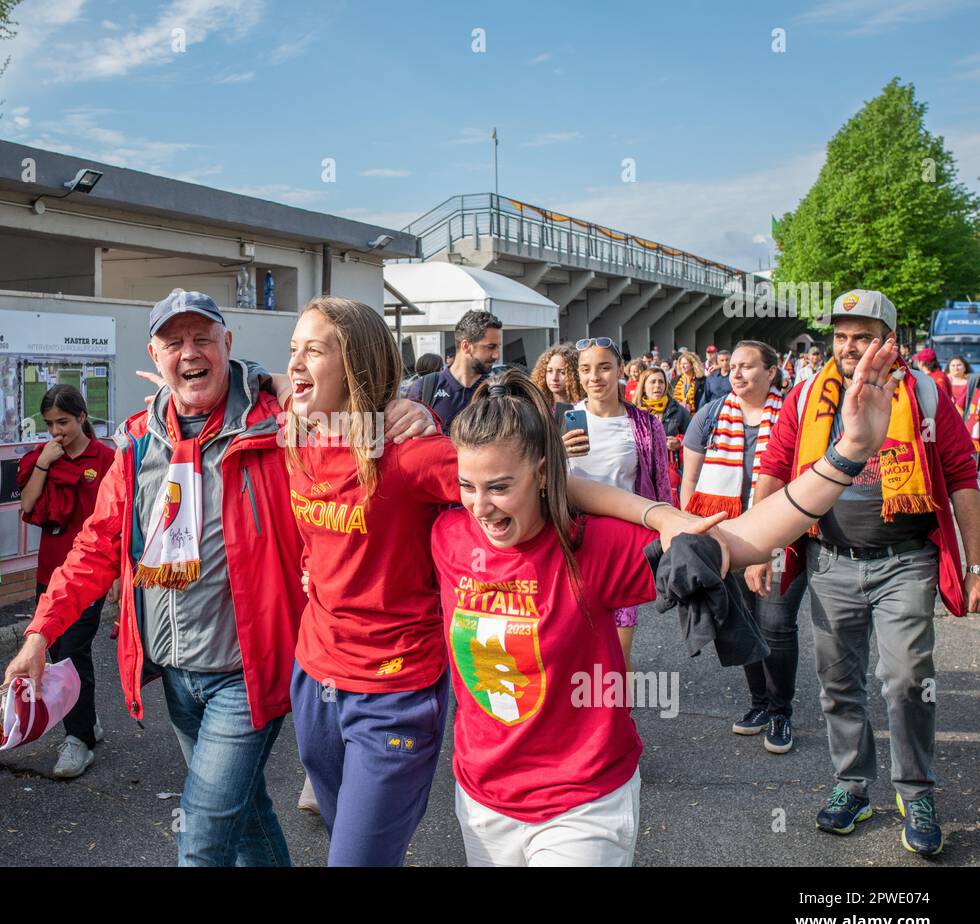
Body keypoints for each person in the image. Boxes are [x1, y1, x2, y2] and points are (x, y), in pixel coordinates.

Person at [3, 289, 434, 867]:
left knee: (203, 839)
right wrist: (38, 634)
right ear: (155, 355)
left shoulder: (285, 428)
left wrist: (411, 411)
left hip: (247, 676)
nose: (190, 352)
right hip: (174, 673)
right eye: (174, 342)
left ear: (227, 345)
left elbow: (352, 415)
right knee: (248, 819)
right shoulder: (136, 443)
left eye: (202, 337)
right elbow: (95, 547)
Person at [433, 342, 901, 866]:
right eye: (467, 487)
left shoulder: (592, 547)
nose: (481, 507)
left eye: (499, 487)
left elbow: (741, 540)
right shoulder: (448, 534)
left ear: (543, 474)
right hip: (479, 800)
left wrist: (848, 453)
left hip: (581, 806)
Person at [283, 298, 711, 866]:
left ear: (357, 362)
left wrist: (657, 515)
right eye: (294, 349)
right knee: (344, 839)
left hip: (392, 685)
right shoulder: (293, 424)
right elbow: (246, 396)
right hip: (313, 673)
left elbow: (540, 481)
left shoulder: (408, 455)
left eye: (313, 350)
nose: (295, 363)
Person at [756, 289, 980, 856]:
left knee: (906, 680)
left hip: (906, 562)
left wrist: (976, 564)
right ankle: (852, 785)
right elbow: (775, 470)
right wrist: (760, 547)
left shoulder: (925, 393)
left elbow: (961, 475)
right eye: (842, 335)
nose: (850, 346)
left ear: (889, 340)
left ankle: (916, 790)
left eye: (864, 335)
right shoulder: (807, 395)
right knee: (838, 686)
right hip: (830, 563)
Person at [681, 341, 804, 754]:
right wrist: (688, 526)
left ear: (771, 372)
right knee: (742, 622)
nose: (736, 374)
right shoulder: (712, 415)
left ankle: (781, 712)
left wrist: (769, 549)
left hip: (783, 536)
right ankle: (758, 705)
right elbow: (690, 477)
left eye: (747, 367)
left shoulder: (793, 416)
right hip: (726, 537)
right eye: (731, 366)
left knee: (775, 623)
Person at [17, 385, 116, 778]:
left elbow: (120, 518)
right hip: (52, 574)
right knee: (58, 654)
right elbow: (27, 504)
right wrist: (44, 462)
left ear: (81, 418)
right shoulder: (46, 457)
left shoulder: (105, 459)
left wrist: (117, 578)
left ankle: (79, 741)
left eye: (64, 422)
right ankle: (85, 722)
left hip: (90, 575)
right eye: (50, 424)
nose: (57, 430)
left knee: (74, 652)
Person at [566, 338, 676, 669]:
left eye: (603, 367)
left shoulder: (645, 424)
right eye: (586, 369)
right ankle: (578, 719)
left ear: (619, 371)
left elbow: (660, 487)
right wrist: (555, 453)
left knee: (617, 651)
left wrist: (668, 536)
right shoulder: (561, 419)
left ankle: (617, 718)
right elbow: (537, 482)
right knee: (573, 644)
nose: (594, 377)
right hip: (571, 547)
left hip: (622, 549)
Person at [405, 309, 503, 432]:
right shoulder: (426, 387)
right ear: (466, 346)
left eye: (498, 347)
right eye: (490, 347)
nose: (496, 355)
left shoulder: (496, 391)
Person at [636, 366, 690, 497]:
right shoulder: (634, 411)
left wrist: (680, 442)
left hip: (670, 472)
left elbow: (694, 439)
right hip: (641, 473)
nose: (657, 385)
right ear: (643, 386)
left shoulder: (679, 410)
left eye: (661, 382)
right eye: (653, 381)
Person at [531, 344, 583, 409]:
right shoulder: (537, 407)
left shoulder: (583, 408)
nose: (554, 378)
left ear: (575, 375)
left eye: (562, 372)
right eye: (550, 371)